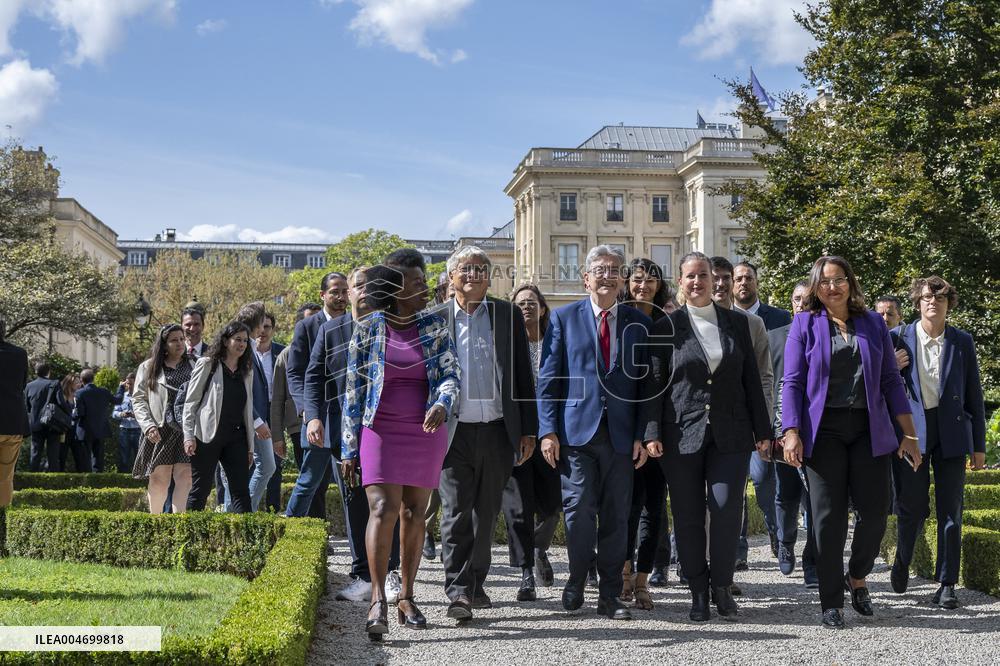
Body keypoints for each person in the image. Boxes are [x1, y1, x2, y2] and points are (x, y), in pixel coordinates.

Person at [781, 255, 921, 629]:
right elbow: (792, 382)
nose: (832, 287)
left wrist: (908, 435)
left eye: (839, 279)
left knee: (876, 511)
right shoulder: (804, 324)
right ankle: (831, 601)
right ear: (815, 287)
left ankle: (857, 575)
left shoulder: (873, 323)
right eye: (824, 281)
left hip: (869, 429)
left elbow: (892, 382)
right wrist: (790, 431)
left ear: (850, 282)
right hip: (821, 431)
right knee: (827, 520)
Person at [644, 251, 771, 622]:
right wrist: (651, 431)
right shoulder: (665, 328)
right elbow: (654, 386)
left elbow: (751, 381)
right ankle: (697, 591)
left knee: (726, 510)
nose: (698, 282)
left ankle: (721, 587)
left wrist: (764, 433)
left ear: (715, 280)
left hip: (731, 434)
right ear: (680, 282)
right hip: (680, 433)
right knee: (686, 516)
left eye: (704, 275)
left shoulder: (737, 323)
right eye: (691, 276)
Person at [341, 261, 459, 639]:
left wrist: (442, 402)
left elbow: (450, 374)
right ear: (395, 290)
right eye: (418, 283)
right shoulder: (367, 329)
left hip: (425, 427)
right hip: (380, 428)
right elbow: (353, 391)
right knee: (383, 508)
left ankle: (407, 596)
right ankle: (378, 599)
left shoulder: (435, 326)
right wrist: (348, 448)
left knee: (414, 511)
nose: (427, 288)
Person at [537, 245, 652, 621]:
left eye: (614, 270)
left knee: (618, 516)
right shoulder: (563, 318)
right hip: (576, 434)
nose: (607, 275)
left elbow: (647, 387)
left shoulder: (640, 324)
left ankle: (609, 595)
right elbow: (549, 379)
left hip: (621, 437)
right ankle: (575, 577)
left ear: (622, 279)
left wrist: (642, 433)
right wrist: (548, 431)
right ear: (585, 278)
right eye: (599, 270)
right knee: (579, 511)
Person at [433, 247, 536, 618]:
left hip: (496, 430)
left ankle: (477, 582)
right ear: (451, 276)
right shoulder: (435, 319)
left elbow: (523, 375)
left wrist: (528, 430)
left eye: (481, 269)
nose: (474, 275)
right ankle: (458, 590)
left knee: (486, 513)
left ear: (490, 278)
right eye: (466, 269)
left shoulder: (507, 315)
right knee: (455, 512)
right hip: (452, 432)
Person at [298, 267, 401, 603]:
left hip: (385, 429)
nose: (363, 291)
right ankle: (361, 575)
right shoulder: (330, 331)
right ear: (349, 293)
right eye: (358, 286)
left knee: (388, 501)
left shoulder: (391, 327)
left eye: (370, 286)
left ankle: (392, 572)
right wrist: (313, 418)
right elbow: (313, 378)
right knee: (354, 500)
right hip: (343, 431)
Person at [889, 276, 986, 610]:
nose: (934, 302)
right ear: (918, 301)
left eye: (941, 298)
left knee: (951, 510)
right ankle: (902, 559)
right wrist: (891, 365)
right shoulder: (897, 337)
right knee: (911, 505)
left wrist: (979, 446)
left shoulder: (962, 341)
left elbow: (974, 392)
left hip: (953, 432)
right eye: (928, 297)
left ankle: (947, 584)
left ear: (948, 303)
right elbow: (878, 386)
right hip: (912, 431)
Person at [711, 257, 777, 574]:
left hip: (743, 422)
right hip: (703, 424)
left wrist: (763, 424)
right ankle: (693, 558)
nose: (723, 284)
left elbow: (764, 377)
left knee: (742, 491)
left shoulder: (752, 325)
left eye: (728, 277)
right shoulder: (686, 321)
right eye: (718, 278)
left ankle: (737, 553)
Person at [617, 258, 671, 610]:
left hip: (663, 427)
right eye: (638, 279)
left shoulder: (667, 323)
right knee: (627, 507)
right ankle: (622, 575)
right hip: (624, 426)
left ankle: (642, 580)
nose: (644, 285)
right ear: (627, 283)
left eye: (651, 280)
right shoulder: (617, 320)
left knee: (655, 507)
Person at [501, 283, 561, 595]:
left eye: (531, 302)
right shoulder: (505, 343)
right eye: (520, 302)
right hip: (515, 434)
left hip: (550, 432)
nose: (526, 307)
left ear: (542, 308)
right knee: (518, 508)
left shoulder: (555, 340)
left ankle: (538, 548)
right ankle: (526, 572)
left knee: (552, 505)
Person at [285, 271, 351, 519]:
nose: (341, 296)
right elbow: (296, 373)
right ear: (322, 295)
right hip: (318, 416)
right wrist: (307, 411)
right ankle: (290, 530)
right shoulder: (307, 327)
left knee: (351, 481)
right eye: (335, 291)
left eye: (345, 291)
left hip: (348, 415)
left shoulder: (357, 323)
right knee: (309, 481)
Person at [768, 281, 818, 586]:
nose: (801, 304)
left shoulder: (825, 336)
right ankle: (786, 543)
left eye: (807, 300)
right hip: (783, 429)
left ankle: (813, 562)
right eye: (797, 299)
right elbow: (768, 386)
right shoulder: (774, 338)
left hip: (818, 431)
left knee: (817, 500)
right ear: (791, 303)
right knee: (786, 494)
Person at [182, 321, 255, 513]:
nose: (242, 344)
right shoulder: (207, 364)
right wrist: (188, 435)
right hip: (207, 436)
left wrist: (250, 446)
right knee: (201, 489)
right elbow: (191, 402)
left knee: (241, 491)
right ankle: (188, 538)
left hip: (236, 437)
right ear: (225, 341)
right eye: (237, 339)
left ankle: (246, 540)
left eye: (245, 341)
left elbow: (248, 409)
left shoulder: (246, 370)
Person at [132, 324, 196, 513]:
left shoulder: (195, 363)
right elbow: (138, 399)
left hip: (186, 428)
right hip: (160, 428)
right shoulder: (149, 366)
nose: (179, 343)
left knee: (185, 476)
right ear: (164, 344)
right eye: (174, 340)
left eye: (181, 339)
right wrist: (148, 425)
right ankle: (156, 521)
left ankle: (179, 523)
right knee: (160, 477)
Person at [270, 304, 321, 510]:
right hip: (298, 426)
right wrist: (277, 436)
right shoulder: (287, 354)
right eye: (310, 320)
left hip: (328, 423)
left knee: (323, 484)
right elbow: (278, 398)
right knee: (309, 480)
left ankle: (318, 531)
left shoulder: (332, 346)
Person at [253, 312, 285, 512]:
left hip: (275, 414)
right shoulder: (244, 352)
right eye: (260, 326)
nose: (263, 331)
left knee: (276, 463)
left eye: (267, 327)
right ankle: (247, 508)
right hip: (252, 412)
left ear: (273, 330)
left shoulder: (281, 352)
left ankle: (272, 510)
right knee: (251, 463)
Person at [0, 318, 29, 507]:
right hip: (12, 422)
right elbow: (23, 384)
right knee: (5, 478)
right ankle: (2, 521)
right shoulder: (19, 354)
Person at [74, 367, 123, 472]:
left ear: (82, 380)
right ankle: (98, 480)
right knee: (98, 458)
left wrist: (72, 416)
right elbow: (118, 400)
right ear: (93, 379)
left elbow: (80, 413)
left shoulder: (79, 393)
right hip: (100, 429)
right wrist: (121, 388)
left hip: (85, 430)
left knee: (85, 458)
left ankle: (87, 481)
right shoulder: (104, 392)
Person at [23, 362, 63, 472]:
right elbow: (61, 403)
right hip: (52, 423)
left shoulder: (28, 386)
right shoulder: (54, 384)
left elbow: (27, 406)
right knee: (53, 455)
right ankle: (54, 482)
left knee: (35, 454)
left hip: (36, 423)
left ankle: (32, 479)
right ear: (48, 372)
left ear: (36, 372)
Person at [112, 372, 142, 473]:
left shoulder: (141, 396)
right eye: (128, 384)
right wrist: (122, 414)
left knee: (140, 457)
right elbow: (114, 413)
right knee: (123, 458)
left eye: (132, 384)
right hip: (124, 430)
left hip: (138, 430)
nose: (129, 386)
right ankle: (123, 481)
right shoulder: (122, 396)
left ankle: (140, 480)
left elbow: (148, 413)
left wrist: (136, 415)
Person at [58, 373, 83, 471]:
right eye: (76, 382)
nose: (79, 384)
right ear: (69, 383)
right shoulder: (62, 396)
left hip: (76, 431)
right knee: (61, 456)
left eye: (79, 382)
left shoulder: (80, 396)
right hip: (64, 430)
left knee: (80, 457)